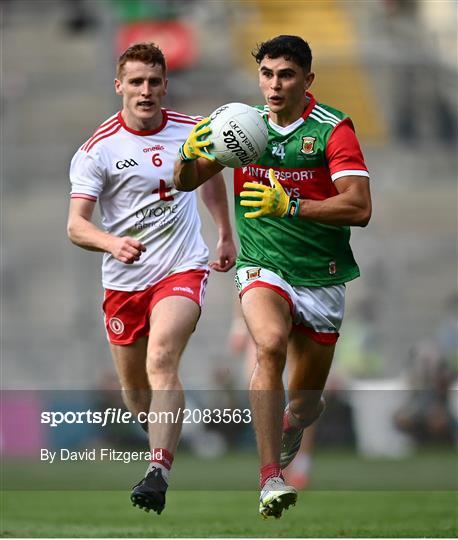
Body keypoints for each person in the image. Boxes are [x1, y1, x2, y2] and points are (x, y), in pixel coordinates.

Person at [174, 35, 372, 519]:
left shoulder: (332, 129)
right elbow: (184, 181)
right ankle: (269, 478)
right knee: (268, 344)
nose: (274, 84)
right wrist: (189, 150)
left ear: (308, 79)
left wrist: (293, 204)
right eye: (267, 74)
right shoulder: (243, 127)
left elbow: (360, 208)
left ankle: (295, 421)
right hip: (263, 265)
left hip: (322, 277)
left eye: (285, 74)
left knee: (304, 407)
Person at [67, 42, 236, 515]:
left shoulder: (191, 131)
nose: (146, 90)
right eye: (136, 82)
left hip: (182, 266)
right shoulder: (97, 150)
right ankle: (163, 434)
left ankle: (158, 470)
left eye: (154, 81)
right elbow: (76, 226)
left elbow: (211, 176)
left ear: (166, 84)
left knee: (163, 358)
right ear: (119, 86)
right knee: (137, 396)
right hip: (123, 280)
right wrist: (110, 242)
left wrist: (224, 233)